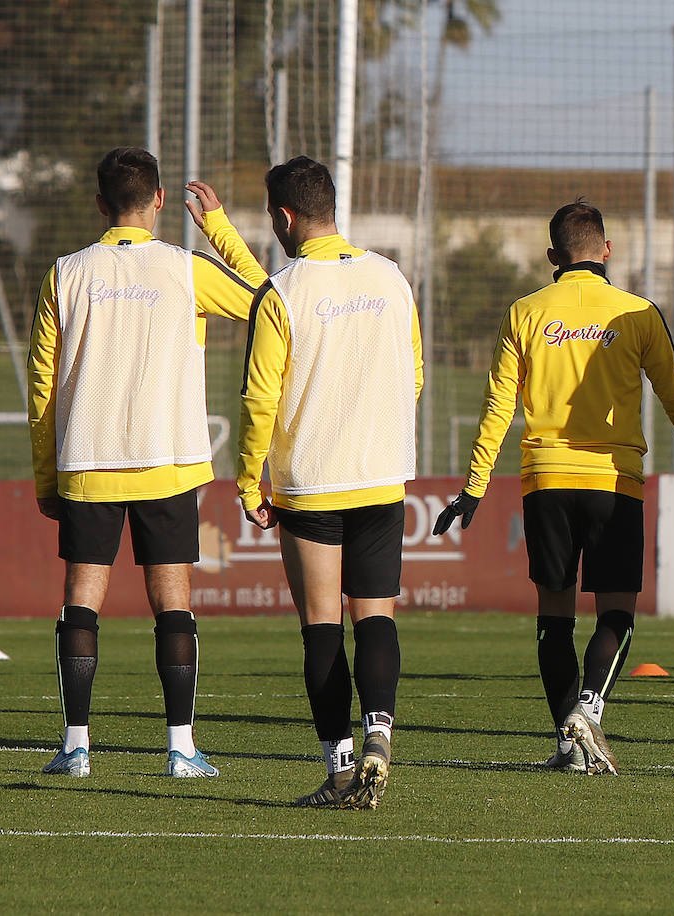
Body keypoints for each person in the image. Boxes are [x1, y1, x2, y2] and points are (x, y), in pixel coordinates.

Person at [434, 199, 674, 776]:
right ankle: (589, 710)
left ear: (551, 257)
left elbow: (498, 406)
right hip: (615, 483)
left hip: (547, 481)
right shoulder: (638, 312)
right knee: (616, 610)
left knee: (554, 616)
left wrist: (474, 486)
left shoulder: (525, 312)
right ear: (607, 251)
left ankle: (568, 744)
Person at [193, 157, 423, 808]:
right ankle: (381, 730)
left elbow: (258, 399)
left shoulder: (284, 292)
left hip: (312, 484)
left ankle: (342, 766)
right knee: (375, 615)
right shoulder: (392, 278)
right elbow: (414, 375)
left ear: (285, 217)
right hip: (381, 477)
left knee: (322, 627)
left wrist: (246, 484)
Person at [27, 147, 256, 778]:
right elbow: (269, 299)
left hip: (88, 461)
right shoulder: (187, 269)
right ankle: (181, 750)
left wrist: (47, 475)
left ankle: (76, 747)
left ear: (100, 205)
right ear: (159, 200)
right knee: (173, 604)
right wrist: (218, 228)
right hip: (170, 460)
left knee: (81, 602)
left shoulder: (65, 274)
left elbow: (41, 387)